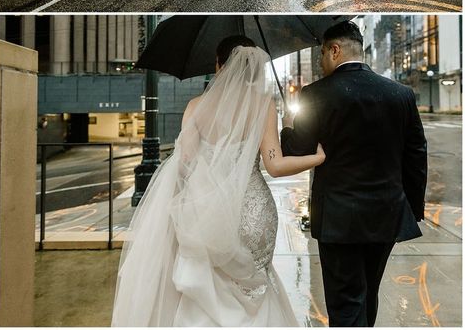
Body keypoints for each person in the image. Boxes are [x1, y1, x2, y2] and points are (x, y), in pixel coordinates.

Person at [112, 37, 326, 326]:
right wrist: (317, 158)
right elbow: (274, 165)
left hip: (206, 214)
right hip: (254, 214)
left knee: (207, 287)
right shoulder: (263, 104)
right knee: (253, 290)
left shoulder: (195, 107)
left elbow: (185, 164)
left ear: (219, 65)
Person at [281, 21, 428, 328]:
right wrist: (410, 212)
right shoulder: (400, 94)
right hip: (387, 215)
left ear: (335, 50)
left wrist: (286, 127)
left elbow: (299, 150)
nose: (321, 61)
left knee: (346, 301)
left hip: (338, 218)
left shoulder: (316, 94)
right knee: (368, 293)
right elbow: (416, 156)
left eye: (322, 53)